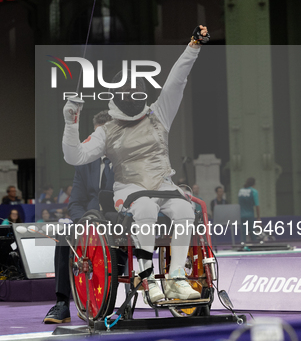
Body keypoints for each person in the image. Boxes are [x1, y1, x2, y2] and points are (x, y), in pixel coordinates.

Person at [61, 26, 209, 304]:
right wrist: (71, 124)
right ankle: (147, 277)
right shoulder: (107, 130)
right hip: (128, 188)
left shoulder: (158, 113)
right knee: (145, 210)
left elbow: (176, 81)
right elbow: (75, 156)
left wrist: (193, 46)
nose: (131, 93)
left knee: (184, 209)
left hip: (163, 183)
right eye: (126, 90)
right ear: (116, 94)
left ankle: (176, 277)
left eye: (135, 89)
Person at [45, 110, 115, 323]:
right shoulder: (84, 164)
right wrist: (86, 224)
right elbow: (74, 204)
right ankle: (61, 304)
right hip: (90, 224)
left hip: (118, 224)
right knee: (65, 234)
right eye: (96, 136)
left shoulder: (128, 161)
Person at [237, 177, 260, 242]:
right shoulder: (254, 191)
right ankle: (255, 247)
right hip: (250, 215)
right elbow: (257, 205)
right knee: (252, 232)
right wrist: (258, 217)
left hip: (241, 215)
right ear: (254, 184)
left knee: (243, 233)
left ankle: (243, 246)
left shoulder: (240, 191)